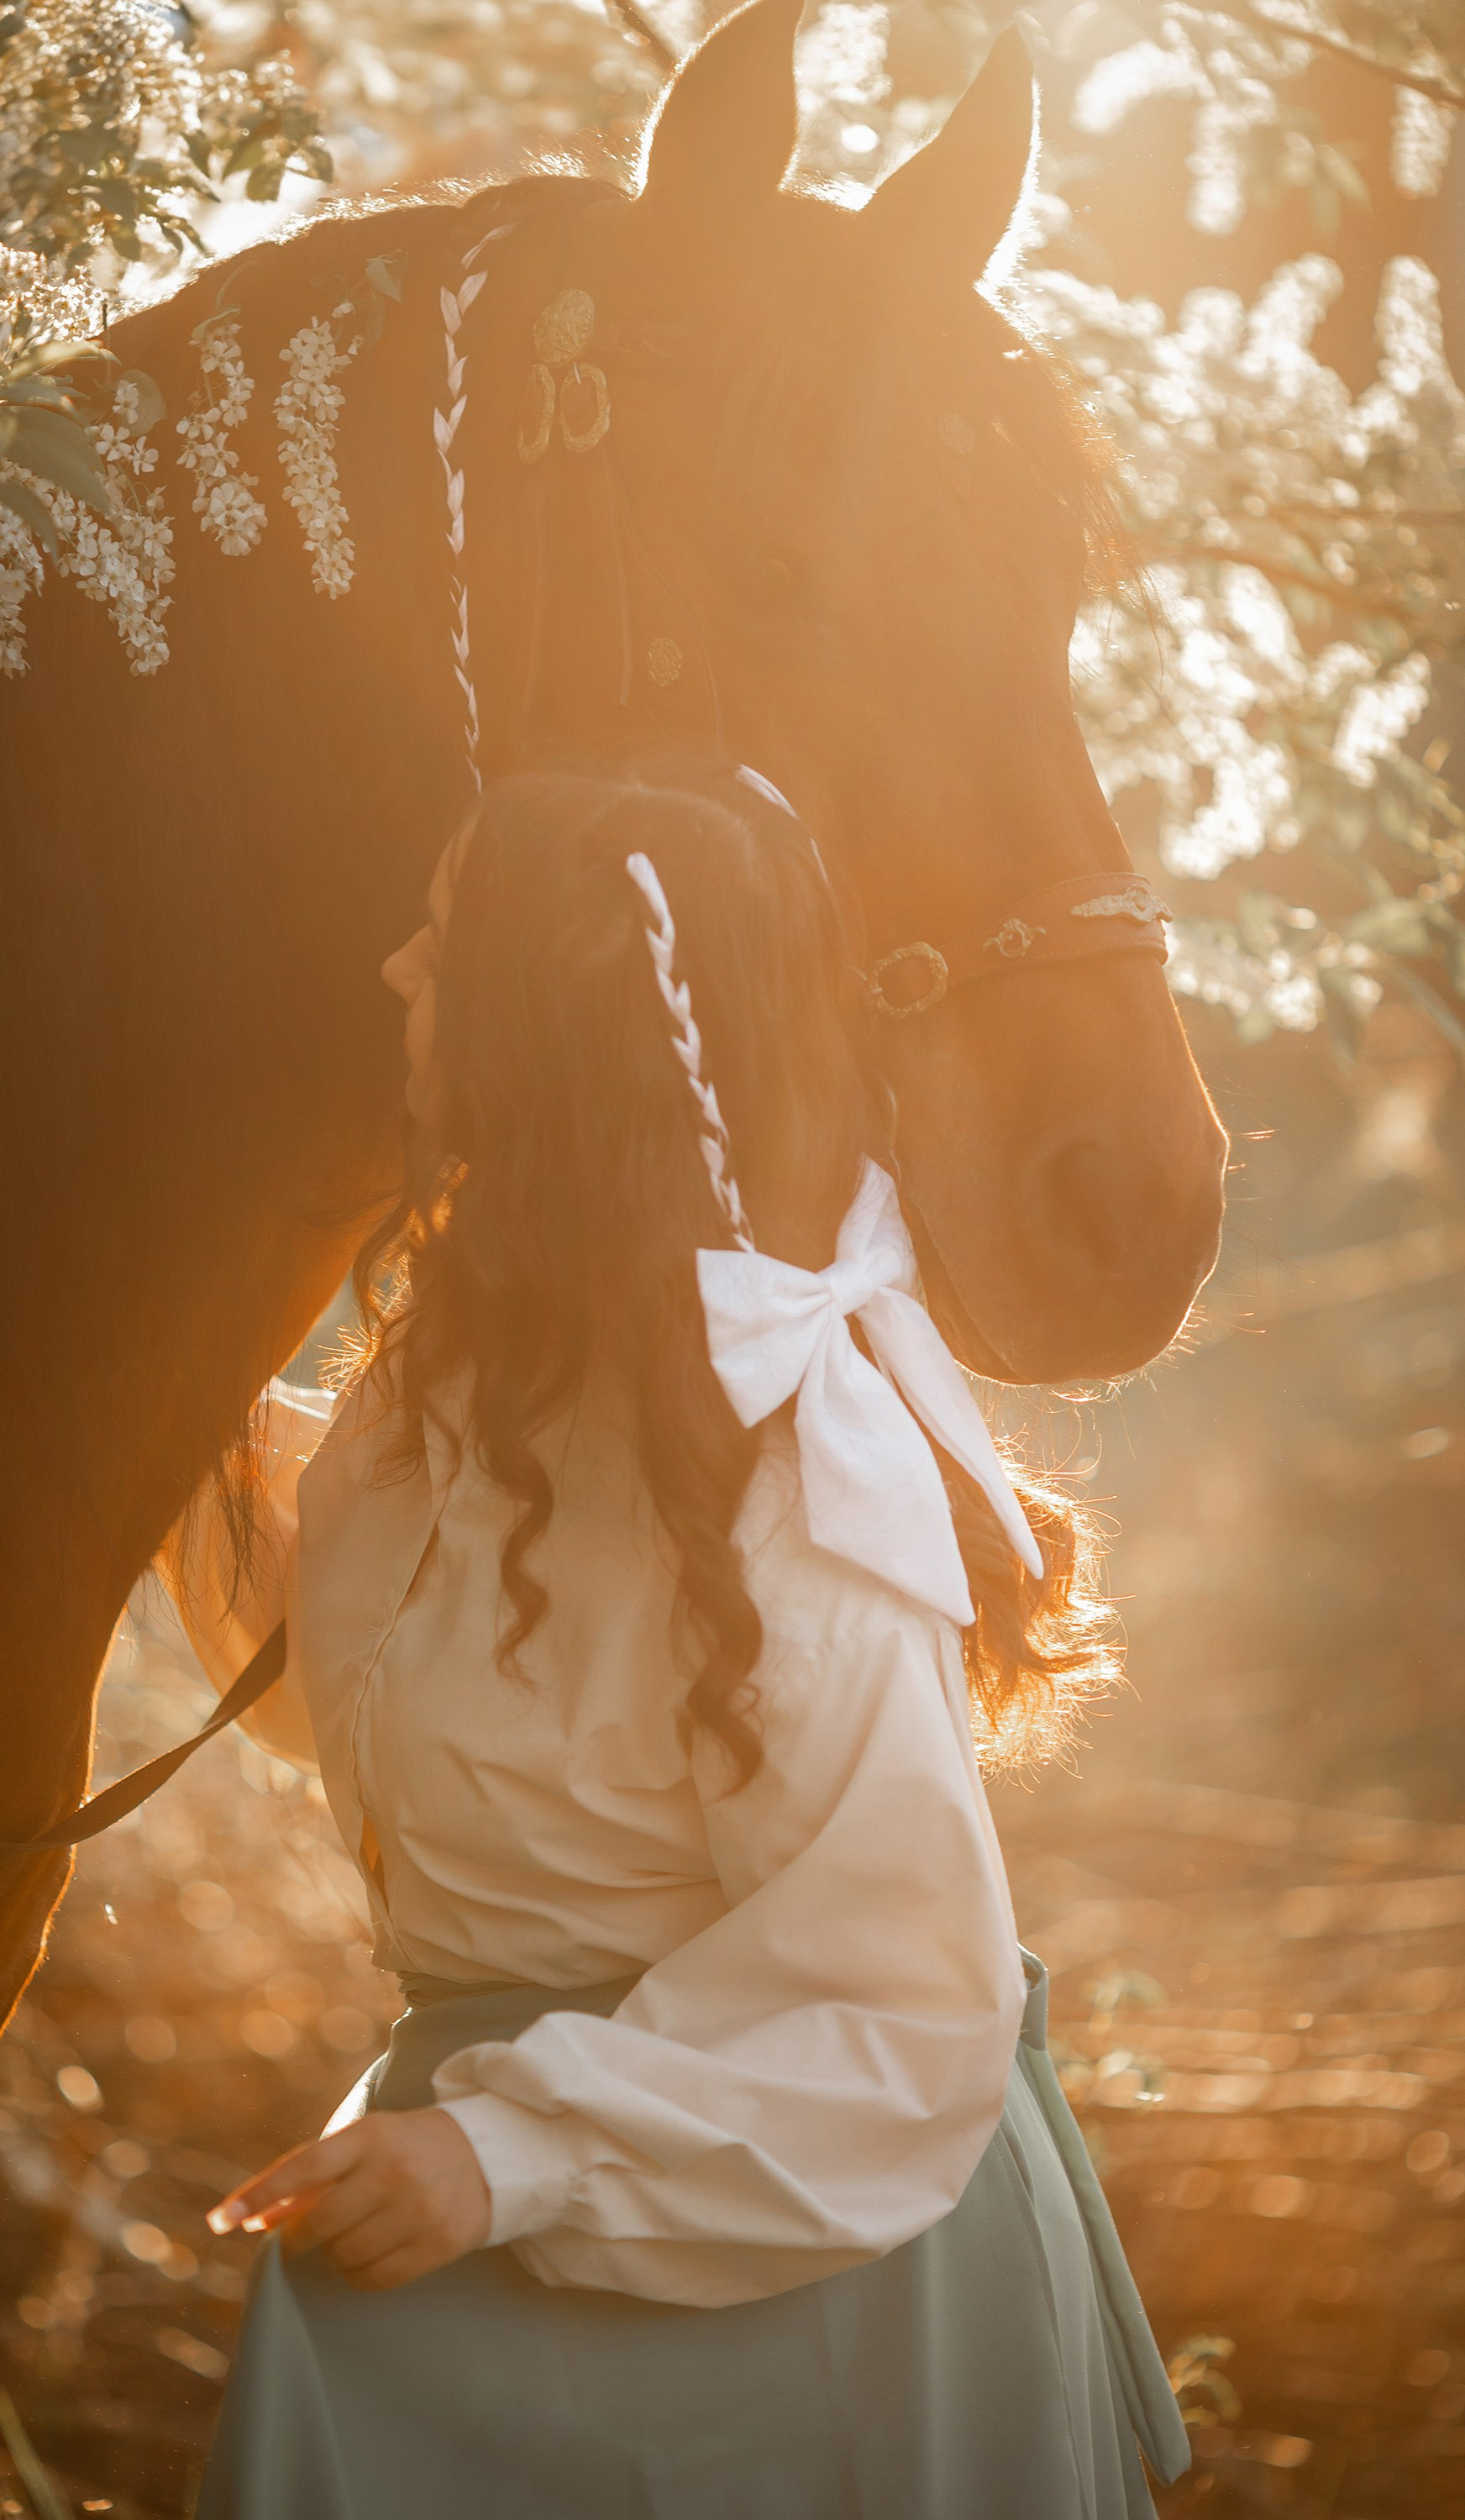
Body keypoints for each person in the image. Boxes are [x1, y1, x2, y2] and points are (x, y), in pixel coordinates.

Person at [164, 761, 1192, 2517]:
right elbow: (366, 1701)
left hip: (803, 2251)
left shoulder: (796, 1485)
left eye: (444, 942)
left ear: (549, 1035)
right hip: (472, 2177)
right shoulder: (448, 1376)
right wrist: (149, 1405)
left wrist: (509, 2154)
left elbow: (900, 2016)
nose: (401, 975)